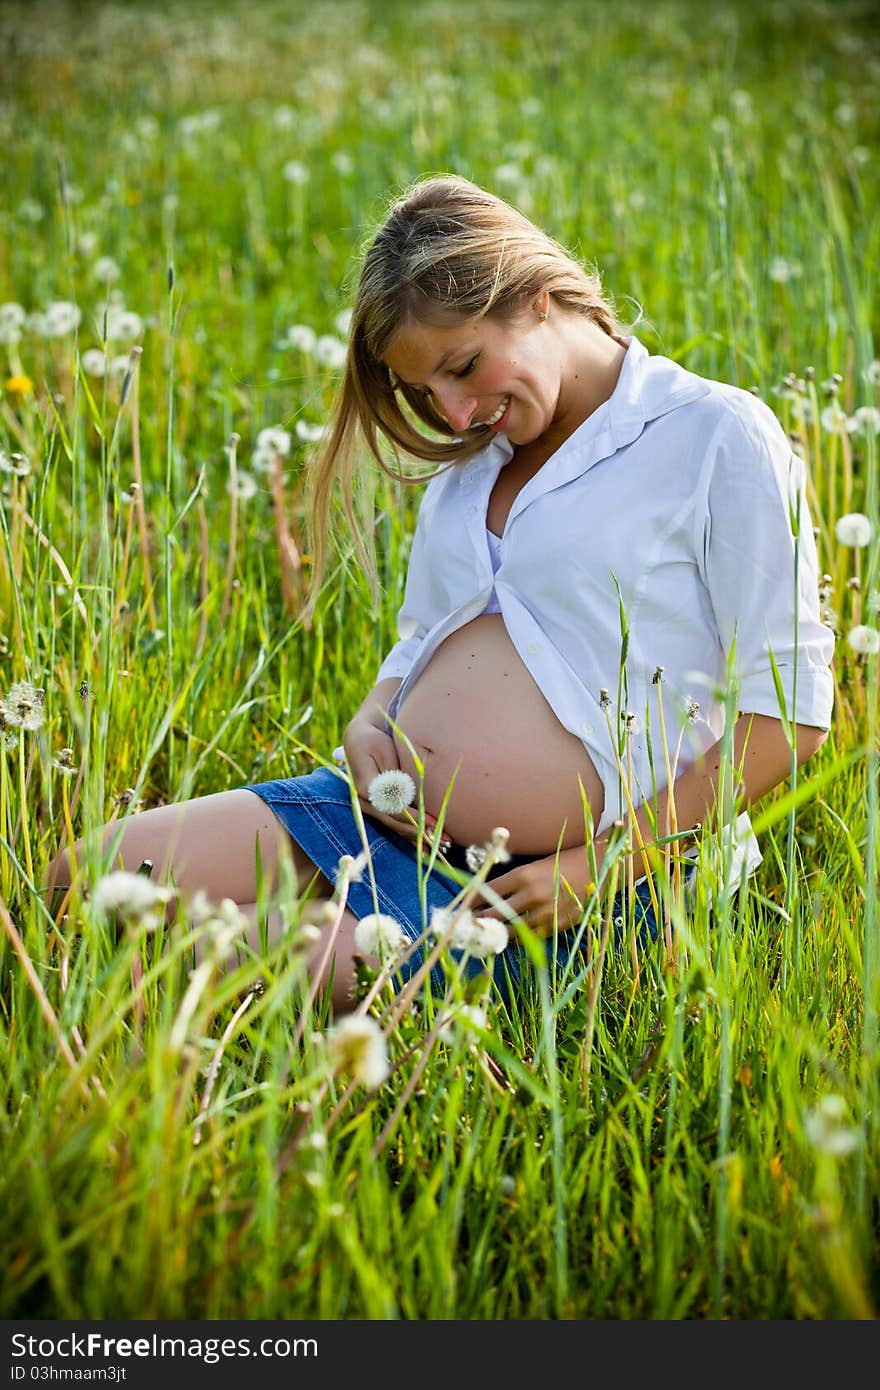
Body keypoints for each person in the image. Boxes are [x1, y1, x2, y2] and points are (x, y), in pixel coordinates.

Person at [46, 174, 835, 1012]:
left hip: (571, 884)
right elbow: (425, 636)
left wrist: (599, 867)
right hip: (384, 822)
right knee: (80, 884)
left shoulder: (714, 434)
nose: (454, 416)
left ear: (537, 296)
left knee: (180, 964)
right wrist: (374, 715)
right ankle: (332, 918)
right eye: (428, 391)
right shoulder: (469, 476)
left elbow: (787, 715)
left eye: (462, 367)